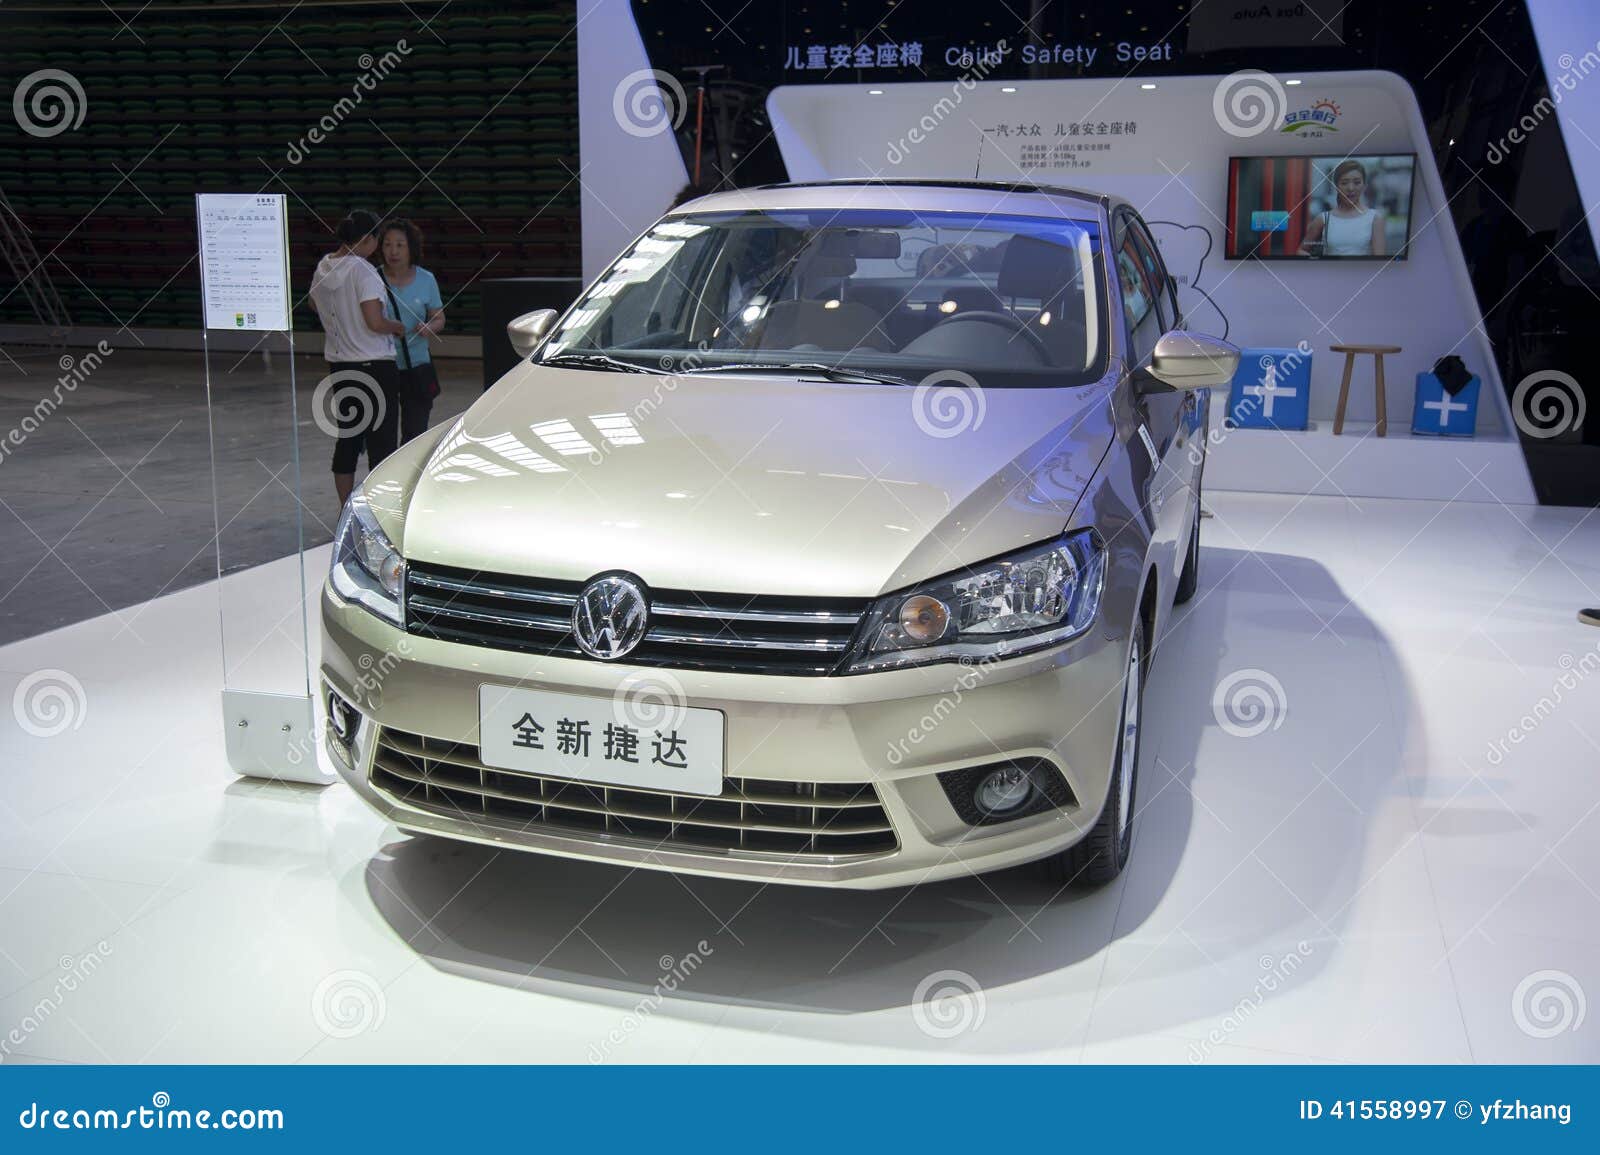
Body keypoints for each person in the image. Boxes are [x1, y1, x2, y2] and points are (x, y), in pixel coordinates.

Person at [309, 210, 407, 507]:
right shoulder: (363, 271)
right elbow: (374, 322)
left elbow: (314, 303)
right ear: (367, 239)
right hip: (375, 365)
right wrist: (397, 327)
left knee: (348, 438)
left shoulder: (324, 266)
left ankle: (345, 509)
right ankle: (378, 510)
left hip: (340, 365)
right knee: (382, 442)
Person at [377, 218, 445, 445]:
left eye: (399, 245)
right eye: (387, 244)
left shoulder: (426, 279)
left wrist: (429, 327)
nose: (393, 251)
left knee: (414, 433)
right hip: (382, 364)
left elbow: (439, 318)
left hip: (417, 364)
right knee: (382, 432)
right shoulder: (371, 278)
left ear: (411, 248)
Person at [1299, 160, 1385, 258]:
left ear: (1364, 185)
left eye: (1357, 182)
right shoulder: (1324, 219)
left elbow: (1379, 262)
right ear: (1336, 186)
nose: (1351, 188)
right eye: (1344, 183)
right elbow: (1301, 251)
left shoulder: (1375, 218)